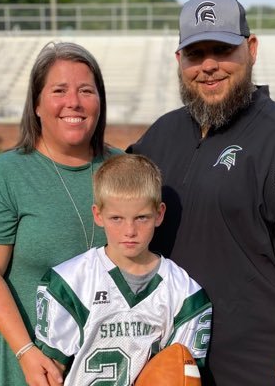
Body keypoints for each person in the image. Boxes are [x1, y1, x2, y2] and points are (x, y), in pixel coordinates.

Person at [127, 0, 275, 386]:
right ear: (180, 61)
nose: (209, 65)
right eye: (196, 54)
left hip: (255, 360)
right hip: (166, 352)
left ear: (251, 48)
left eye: (223, 49)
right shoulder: (160, 135)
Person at [0, 41, 122, 386]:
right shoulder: (5, 175)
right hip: (33, 371)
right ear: (36, 104)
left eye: (86, 90)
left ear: (100, 101)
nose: (73, 102)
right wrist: (26, 352)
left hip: (111, 369)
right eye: (59, 91)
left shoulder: (124, 169)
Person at [34, 154, 212, 385]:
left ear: (159, 214)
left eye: (141, 218)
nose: (130, 230)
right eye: (117, 218)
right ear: (98, 215)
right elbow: (51, 371)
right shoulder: (71, 281)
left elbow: (182, 374)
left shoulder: (183, 292)